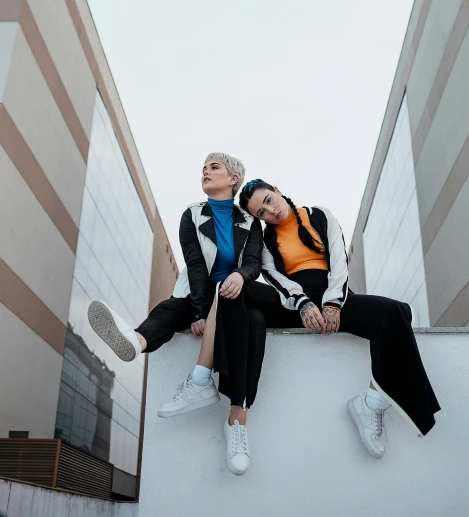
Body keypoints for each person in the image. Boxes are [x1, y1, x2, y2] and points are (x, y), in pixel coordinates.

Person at [87, 153, 264, 475]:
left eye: (214, 168)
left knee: (247, 320)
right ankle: (135, 340)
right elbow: (196, 264)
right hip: (195, 294)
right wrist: (198, 311)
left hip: (234, 294)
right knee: (168, 309)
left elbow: (253, 261)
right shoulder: (193, 215)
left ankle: (225, 409)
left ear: (233, 179)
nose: (205, 173)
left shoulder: (251, 221)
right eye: (203, 169)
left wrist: (240, 275)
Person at [238, 179, 441, 460]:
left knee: (398, 311)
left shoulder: (320, 215)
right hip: (294, 306)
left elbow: (339, 262)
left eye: (269, 200)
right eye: (260, 212)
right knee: (242, 288)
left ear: (278, 190)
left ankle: (372, 403)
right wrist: (303, 303)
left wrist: (332, 303)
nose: (270, 211)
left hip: (336, 299)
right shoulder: (265, 240)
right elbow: (274, 277)